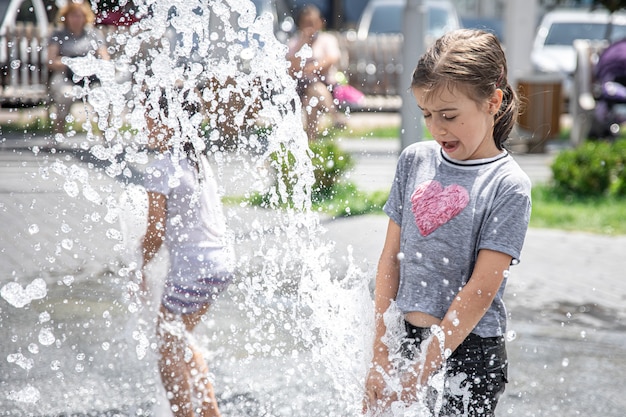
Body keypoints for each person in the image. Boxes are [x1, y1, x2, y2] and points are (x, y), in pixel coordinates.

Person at [363, 29, 532, 417]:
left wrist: (424, 370)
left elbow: (480, 290)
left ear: (493, 102)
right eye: (427, 115)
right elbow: (391, 259)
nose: (437, 128)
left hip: (469, 353)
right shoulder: (415, 161)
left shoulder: (507, 186)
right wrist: (380, 350)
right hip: (403, 338)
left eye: (450, 116)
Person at [140, 89, 235, 417]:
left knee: (167, 347)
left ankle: (187, 414)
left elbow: (154, 233)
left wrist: (139, 266)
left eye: (150, 114)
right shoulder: (197, 159)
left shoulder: (161, 167)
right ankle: (209, 411)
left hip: (193, 269)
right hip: (220, 264)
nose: (145, 122)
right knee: (180, 339)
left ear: (170, 121)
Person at [47, 1, 110, 136]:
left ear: (85, 17)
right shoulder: (58, 34)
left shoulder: (93, 34)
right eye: (73, 16)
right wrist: (72, 63)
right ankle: (58, 134)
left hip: (91, 77)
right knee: (66, 95)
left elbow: (105, 58)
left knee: (101, 96)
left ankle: (106, 136)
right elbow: (51, 61)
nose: (76, 19)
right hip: (66, 75)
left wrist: (91, 64)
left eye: (79, 16)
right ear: (66, 17)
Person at [286, 5, 345, 141]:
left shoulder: (327, 39)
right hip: (300, 87)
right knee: (310, 90)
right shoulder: (295, 43)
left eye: (312, 23)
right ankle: (334, 115)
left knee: (310, 100)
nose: (309, 27)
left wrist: (312, 68)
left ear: (320, 23)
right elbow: (291, 69)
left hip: (324, 85)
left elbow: (331, 59)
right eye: (305, 24)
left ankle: (311, 141)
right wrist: (303, 43)